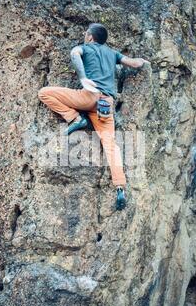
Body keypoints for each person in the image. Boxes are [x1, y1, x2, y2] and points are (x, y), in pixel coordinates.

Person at [38, 23, 149, 210]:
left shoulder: (85, 47)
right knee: (111, 145)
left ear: (90, 37)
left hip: (88, 96)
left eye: (85, 34)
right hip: (106, 104)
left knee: (44, 93)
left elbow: (74, 54)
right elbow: (135, 63)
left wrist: (82, 77)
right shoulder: (113, 53)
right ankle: (120, 187)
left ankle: (75, 118)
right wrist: (145, 62)